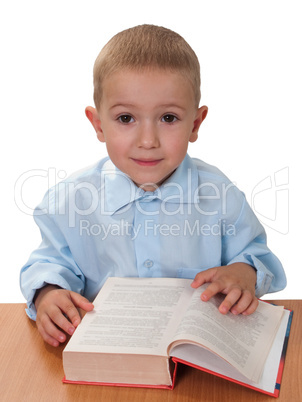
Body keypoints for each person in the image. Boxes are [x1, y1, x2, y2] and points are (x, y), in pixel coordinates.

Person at [20, 24, 286, 347]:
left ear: (195, 123)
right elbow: (48, 265)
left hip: (198, 360)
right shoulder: (72, 201)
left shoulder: (221, 196)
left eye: (169, 118)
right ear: (98, 124)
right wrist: (49, 295)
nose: (148, 141)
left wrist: (245, 273)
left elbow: (254, 254)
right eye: (126, 119)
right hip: (106, 361)